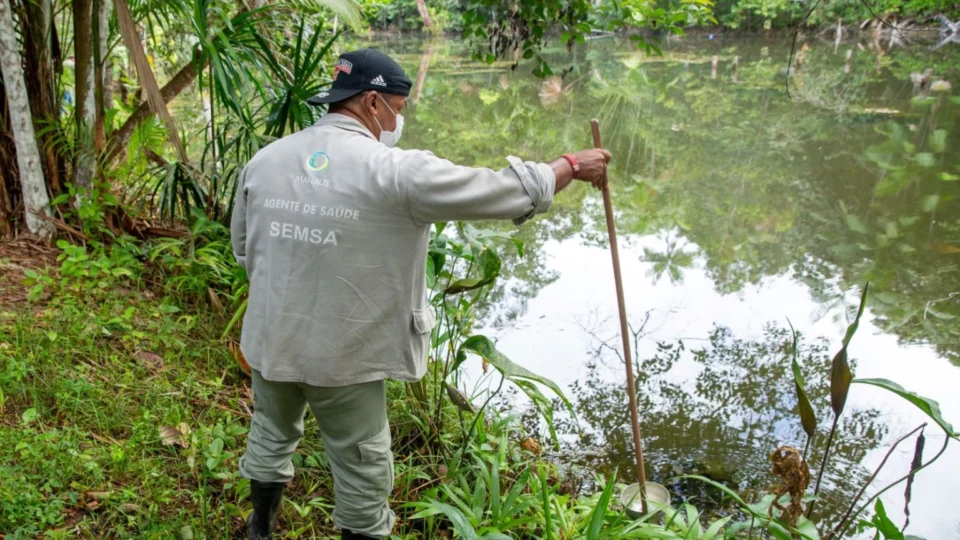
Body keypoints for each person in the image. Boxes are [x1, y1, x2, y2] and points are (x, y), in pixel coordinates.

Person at [230, 48, 612, 540]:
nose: (399, 119)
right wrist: (569, 164)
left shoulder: (265, 160)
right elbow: (501, 192)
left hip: (270, 340)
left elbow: (246, 251)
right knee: (363, 470)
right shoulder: (395, 173)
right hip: (344, 358)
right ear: (372, 102)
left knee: (271, 433)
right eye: (399, 106)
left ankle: (259, 530)